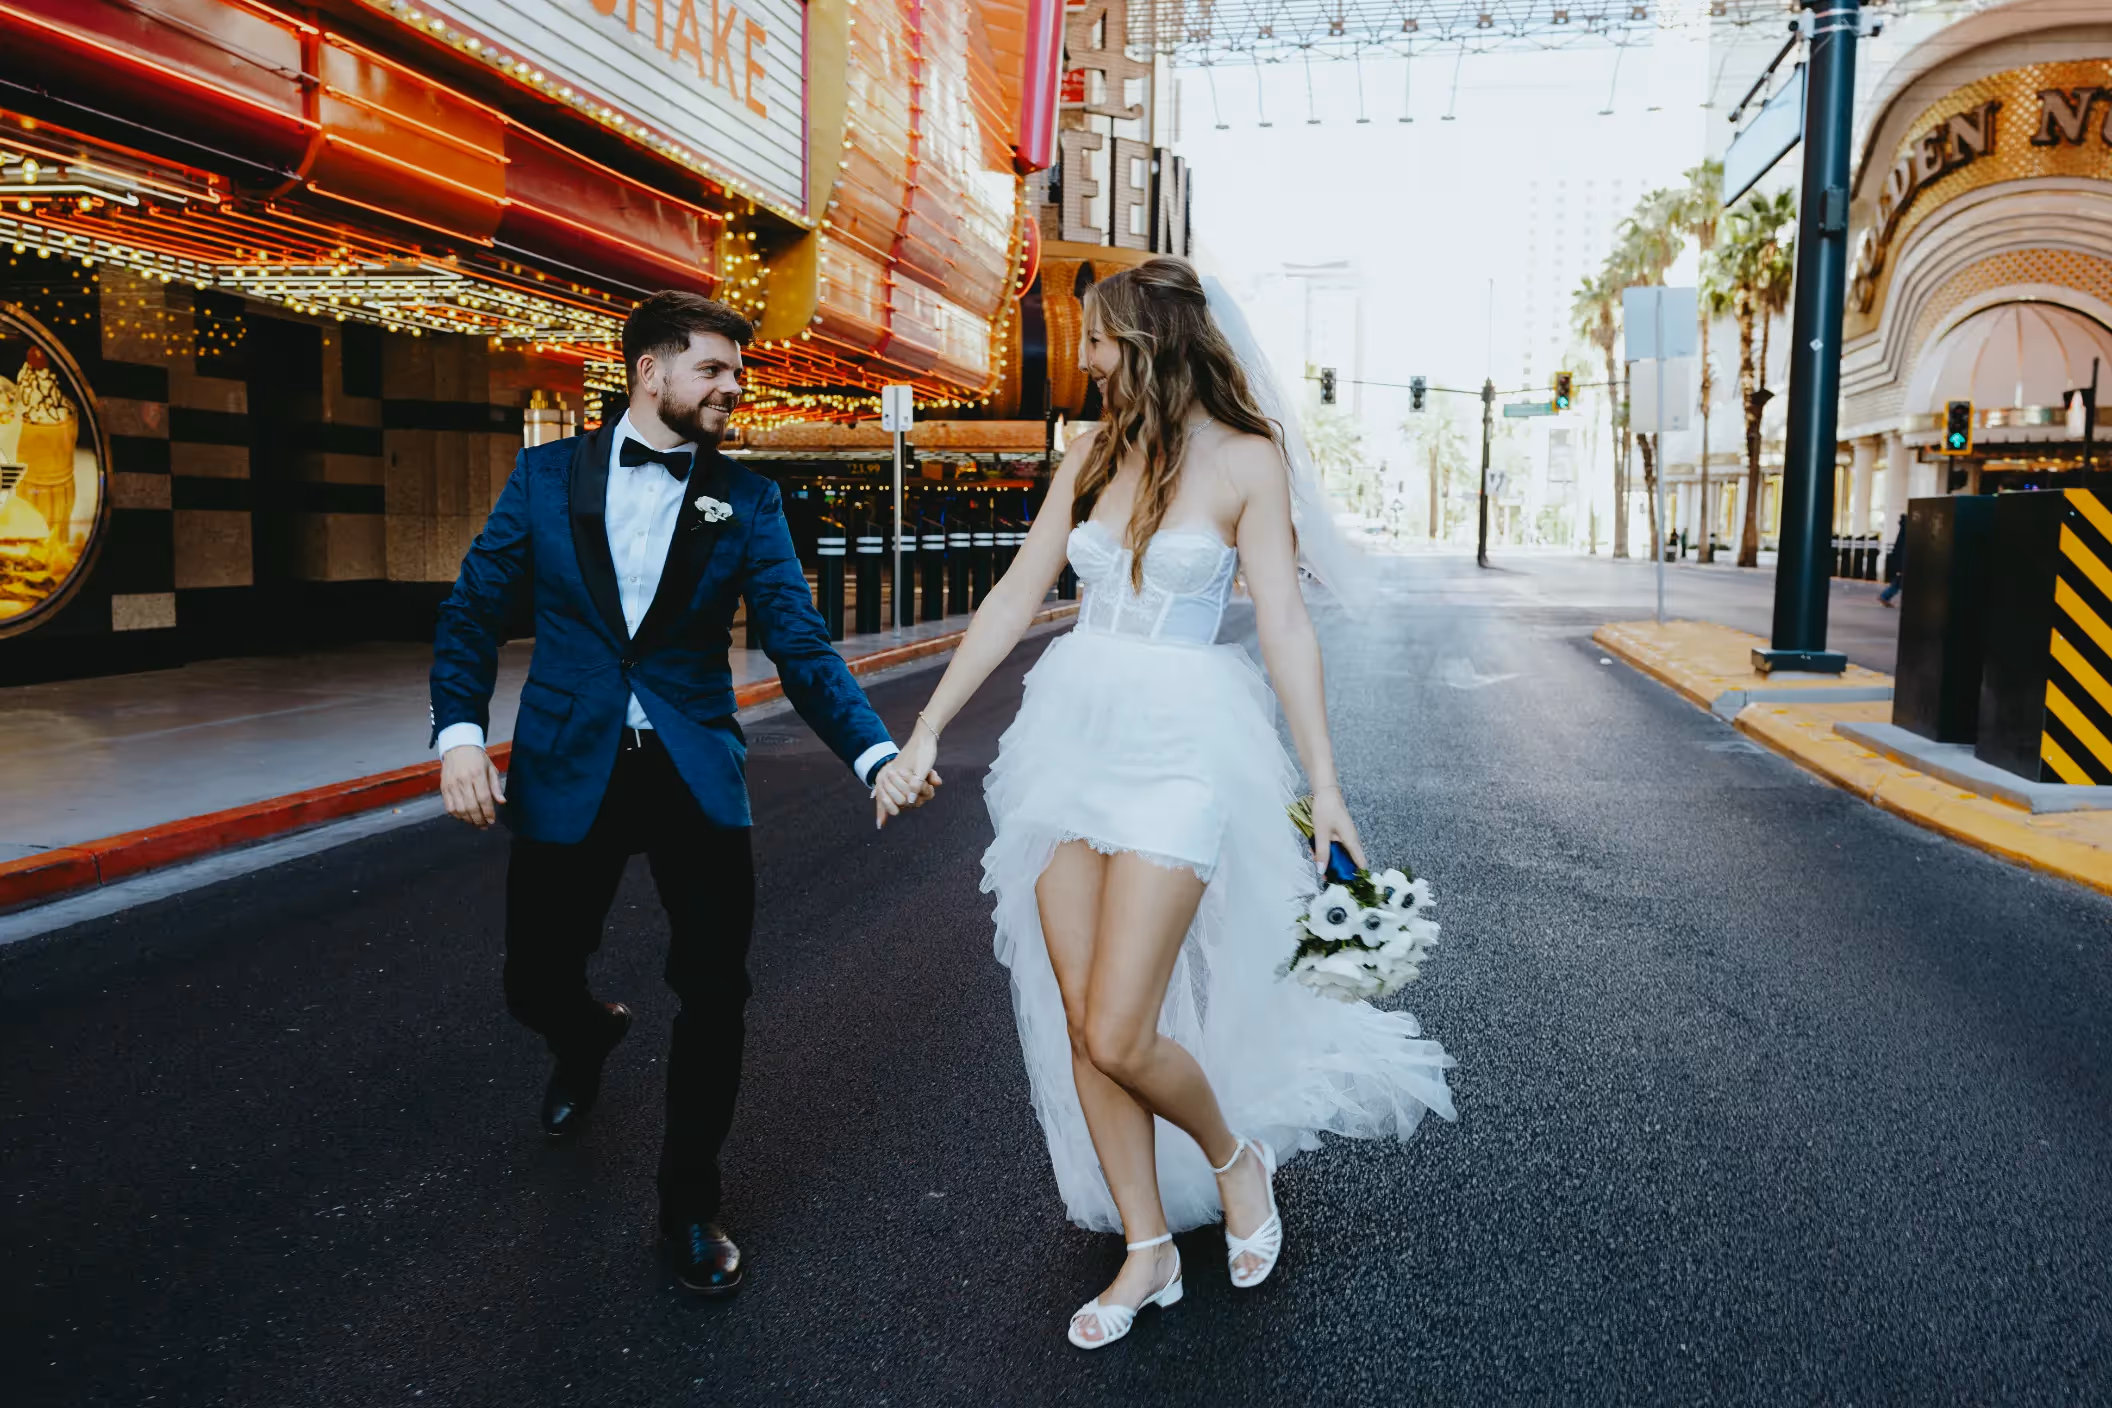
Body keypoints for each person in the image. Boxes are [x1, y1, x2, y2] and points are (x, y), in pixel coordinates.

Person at [874, 258, 1455, 1349]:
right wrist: (929, 725)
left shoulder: (1246, 459)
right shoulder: (1088, 455)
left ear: (1142, 341)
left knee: (1119, 1024)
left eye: (1095, 338)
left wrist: (1326, 785)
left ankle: (1236, 1161)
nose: (1083, 357)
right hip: (1069, 738)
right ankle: (1147, 1251)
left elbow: (1283, 621)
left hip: (1185, 750)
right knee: (1080, 1015)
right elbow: (1017, 590)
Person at [429, 292, 932, 1298]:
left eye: (737, 372)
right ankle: (583, 1032)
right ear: (649, 372)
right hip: (571, 760)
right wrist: (459, 736)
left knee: (714, 991)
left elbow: (796, 640)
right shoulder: (542, 478)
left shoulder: (748, 502)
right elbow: (475, 608)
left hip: (694, 770)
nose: (733, 388)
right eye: (713, 369)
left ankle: (689, 1206)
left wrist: (873, 754)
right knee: (534, 977)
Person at [1878, 512, 1907, 606]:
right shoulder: (1906, 530)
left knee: (1898, 581)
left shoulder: (1903, 530)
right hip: (1902, 559)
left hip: (1899, 558)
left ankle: (1885, 596)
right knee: (1899, 581)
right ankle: (1885, 596)